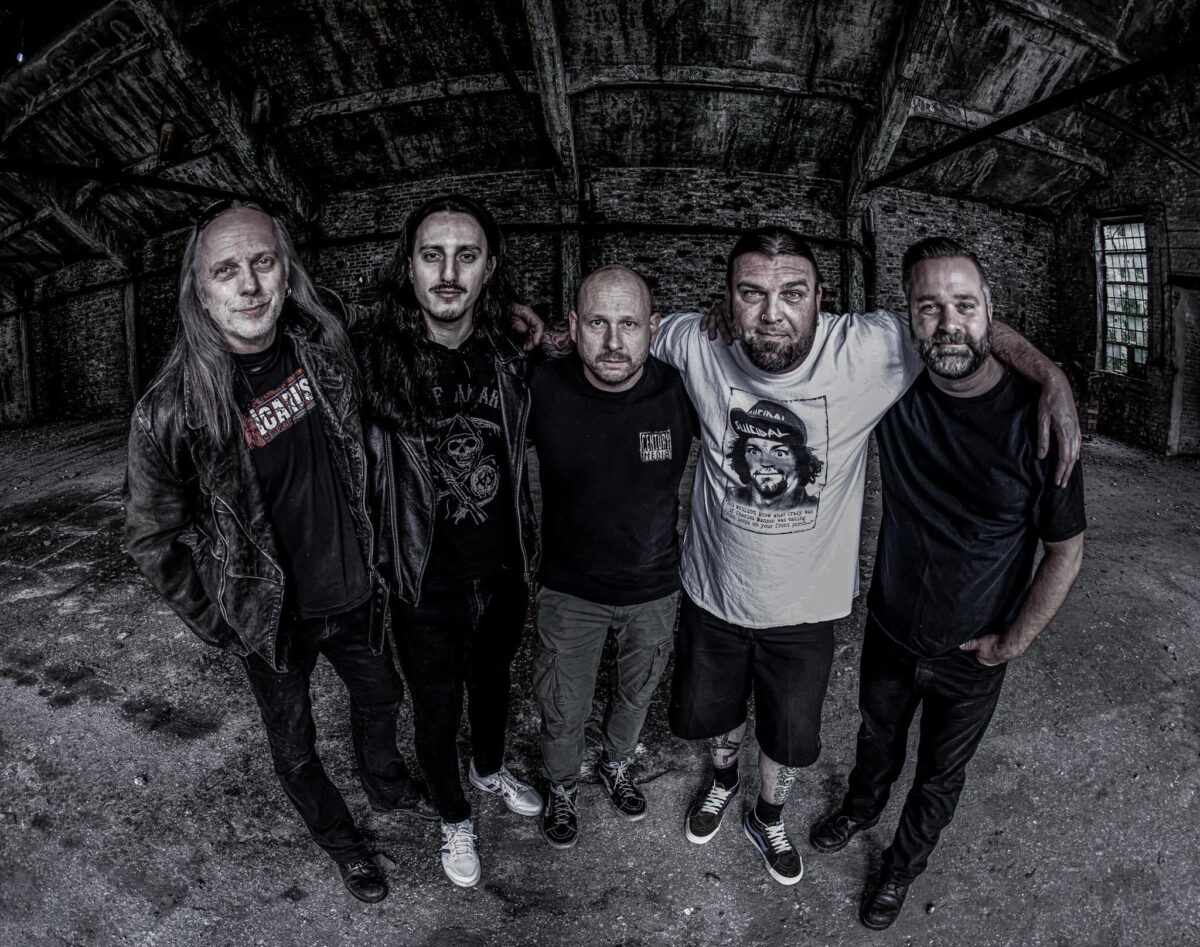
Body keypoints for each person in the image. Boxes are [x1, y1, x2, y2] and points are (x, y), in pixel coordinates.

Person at [653, 225, 1081, 887]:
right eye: (751, 293)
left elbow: (957, 326)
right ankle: (723, 781)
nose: (771, 312)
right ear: (728, 299)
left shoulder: (869, 349)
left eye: (792, 293)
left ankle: (770, 815)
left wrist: (1052, 375)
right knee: (724, 717)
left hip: (807, 608)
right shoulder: (696, 340)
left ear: (820, 298)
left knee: (790, 736)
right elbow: (623, 331)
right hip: (715, 590)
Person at [123, 200, 434, 905]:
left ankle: (386, 783)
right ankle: (344, 844)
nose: (250, 285)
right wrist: (224, 621)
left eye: (263, 262)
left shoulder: (321, 346)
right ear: (201, 290)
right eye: (226, 271)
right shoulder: (170, 408)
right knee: (295, 748)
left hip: (353, 591)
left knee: (383, 696)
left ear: (286, 271)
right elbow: (151, 536)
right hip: (272, 620)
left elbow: (402, 323)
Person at [808, 236, 1085, 929]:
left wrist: (1011, 643)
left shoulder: (1038, 422)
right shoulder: (892, 389)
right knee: (877, 737)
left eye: (965, 305)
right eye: (928, 307)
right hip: (890, 625)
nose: (949, 323)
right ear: (908, 316)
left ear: (991, 308)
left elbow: (1065, 552)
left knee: (939, 773)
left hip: (972, 650)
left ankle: (901, 867)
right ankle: (861, 808)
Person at [352, 194, 542, 888]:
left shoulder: (508, 356)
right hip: (423, 577)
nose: (449, 272)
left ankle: (488, 770)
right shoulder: (374, 360)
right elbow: (310, 321)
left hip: (503, 569)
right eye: (432, 255)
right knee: (435, 707)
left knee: (493, 683)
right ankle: (454, 816)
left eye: (467, 256)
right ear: (409, 267)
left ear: (489, 269)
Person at [528, 264, 697, 849]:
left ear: (654, 327)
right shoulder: (542, 387)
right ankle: (562, 785)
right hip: (569, 590)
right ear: (573, 326)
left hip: (654, 588)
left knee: (636, 693)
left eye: (629, 324)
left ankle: (617, 764)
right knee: (562, 705)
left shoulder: (682, 390)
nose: (614, 342)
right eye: (598, 323)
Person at [727, 399, 822, 512]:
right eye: (754, 451)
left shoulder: (817, 509)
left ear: (800, 461)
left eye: (779, 453)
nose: (765, 463)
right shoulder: (728, 498)